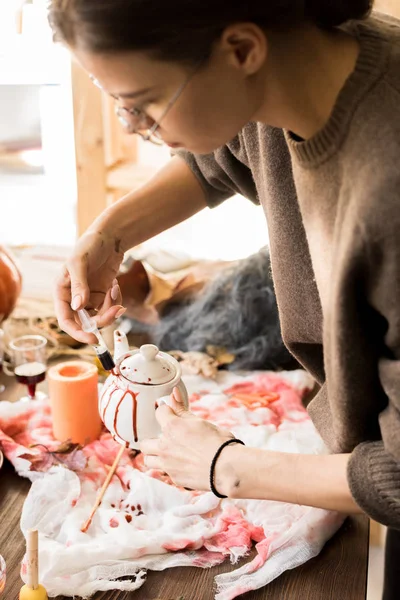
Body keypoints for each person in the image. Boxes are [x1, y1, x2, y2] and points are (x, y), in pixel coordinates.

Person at [49, 1, 400, 597]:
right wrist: (110, 232)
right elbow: (217, 157)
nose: (131, 127)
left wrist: (226, 468)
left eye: (143, 102)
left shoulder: (389, 179)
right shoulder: (285, 68)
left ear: (241, 50)